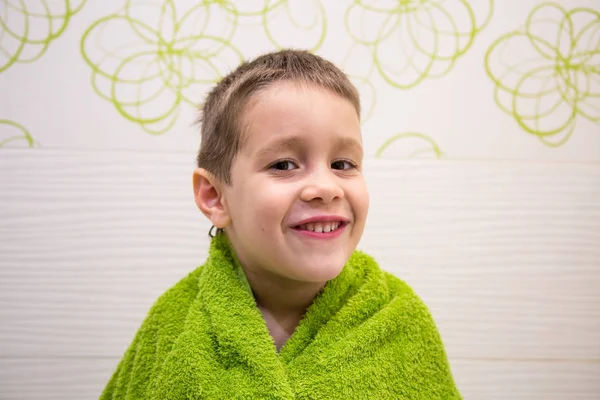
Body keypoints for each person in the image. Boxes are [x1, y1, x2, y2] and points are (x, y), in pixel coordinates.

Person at [100, 49, 462, 399]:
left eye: (343, 164)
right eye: (284, 165)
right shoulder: (173, 328)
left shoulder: (397, 322)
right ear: (215, 197)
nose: (325, 187)